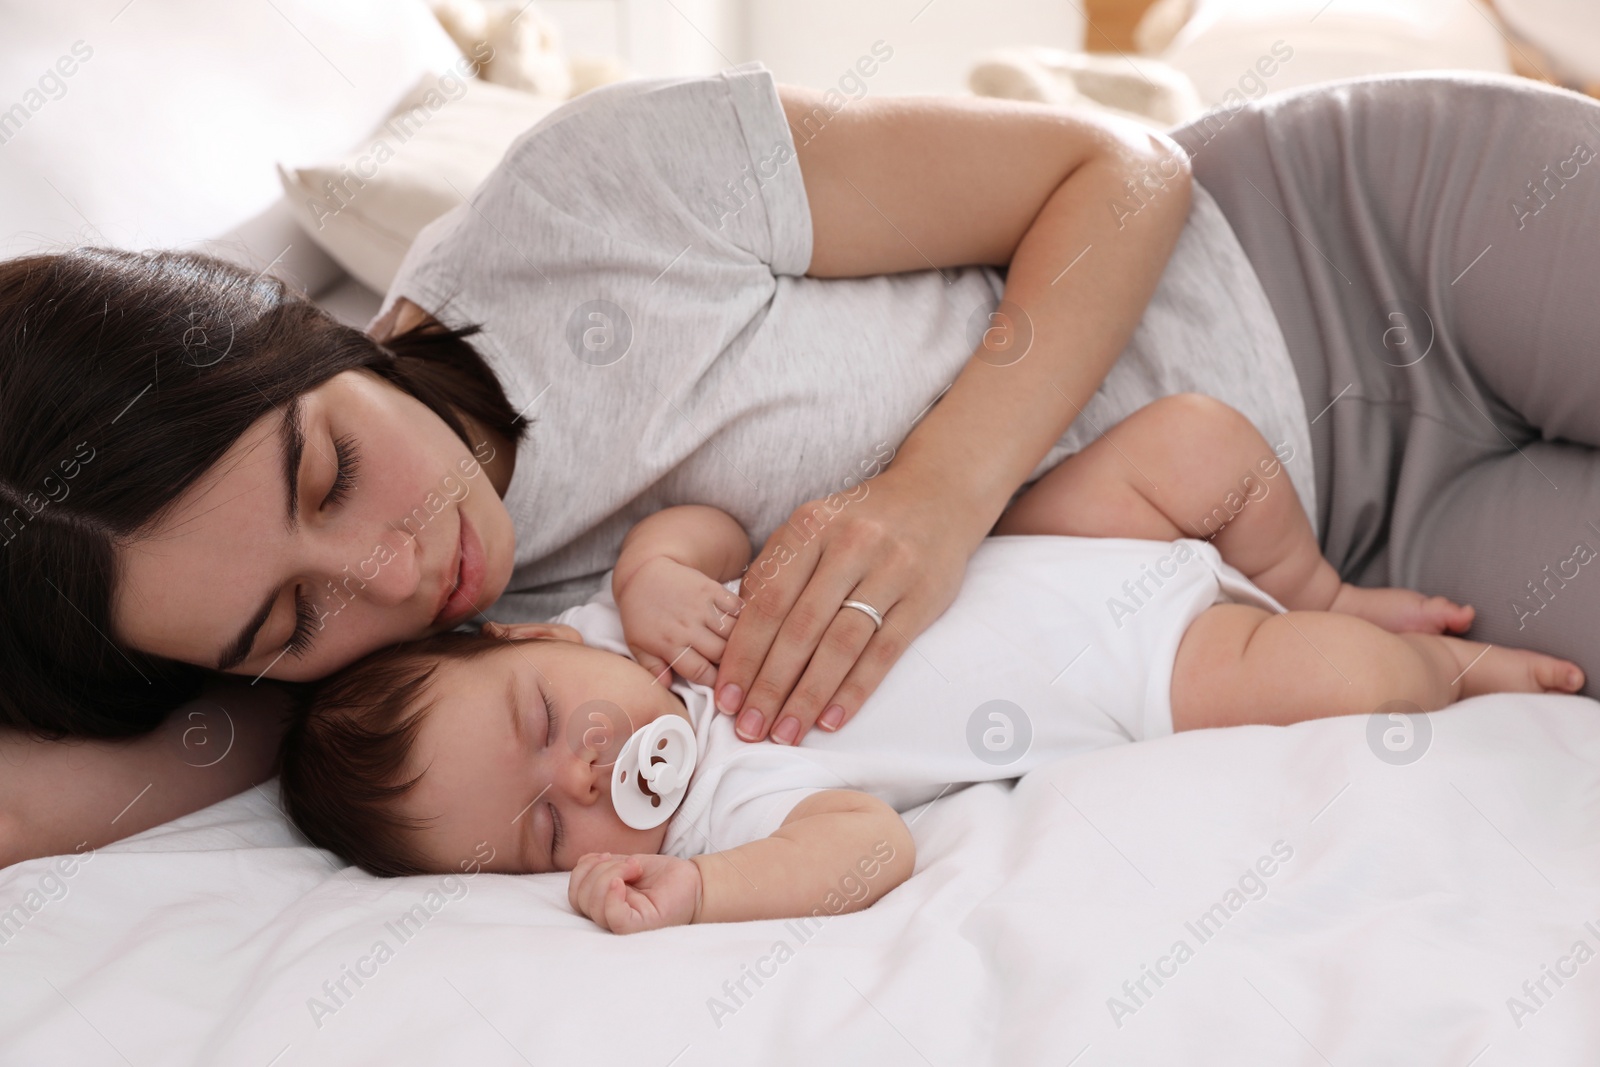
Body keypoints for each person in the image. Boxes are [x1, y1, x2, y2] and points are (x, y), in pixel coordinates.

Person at [5, 66, 1600, 866]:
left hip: (1360, 248)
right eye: (284, 623)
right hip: (1356, 541)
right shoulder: (443, 697)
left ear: (307, 333)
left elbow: (1121, 166)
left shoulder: (585, 205)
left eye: (329, 471)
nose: (396, 570)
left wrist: (933, 497)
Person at [276, 394, 1581, 933]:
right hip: (1147, 666)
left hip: (1046, 539)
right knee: (1351, 684)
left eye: (542, 720)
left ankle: (1320, 578)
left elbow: (706, 524)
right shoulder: (729, 802)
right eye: (536, 835)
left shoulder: (631, 627)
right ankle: (1444, 673)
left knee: (1194, 440)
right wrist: (703, 891)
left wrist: (657, 572)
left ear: (529, 636)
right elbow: (867, 852)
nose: (586, 772)